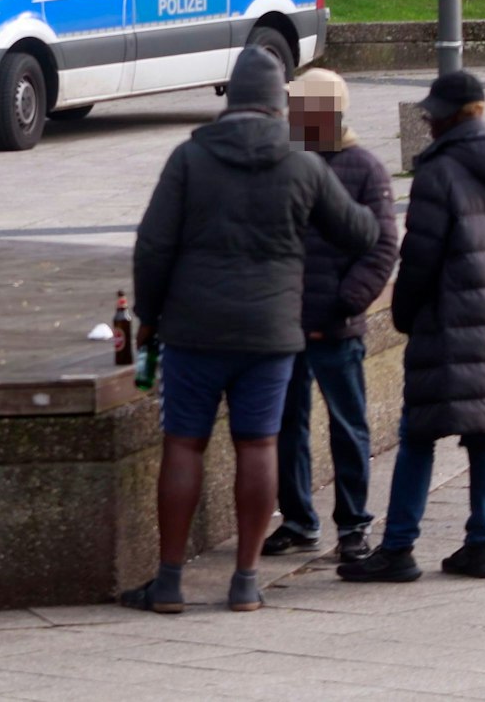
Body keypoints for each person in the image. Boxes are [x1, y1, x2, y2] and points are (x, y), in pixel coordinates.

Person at [122, 47, 378, 615]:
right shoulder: (304, 163)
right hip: (269, 335)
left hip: (194, 332)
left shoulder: (190, 158)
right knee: (258, 444)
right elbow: (362, 232)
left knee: (183, 444)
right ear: (277, 105)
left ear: (232, 99)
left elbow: (153, 245)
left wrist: (149, 317)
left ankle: (168, 582)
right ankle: (244, 581)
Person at [340, 70, 485, 584]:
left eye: (432, 113)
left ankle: (398, 548)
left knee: (418, 434)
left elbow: (419, 260)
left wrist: (405, 316)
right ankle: (482, 545)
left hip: (450, 325)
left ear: (448, 118)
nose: (427, 121)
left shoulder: (439, 172)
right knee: (483, 434)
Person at [264, 68, 399, 564]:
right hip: (285, 322)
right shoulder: (286, 162)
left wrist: (346, 302)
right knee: (286, 424)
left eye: (301, 108)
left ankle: (353, 524)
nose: (292, 117)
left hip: (336, 324)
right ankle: (298, 520)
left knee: (347, 425)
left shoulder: (364, 167)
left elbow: (384, 247)